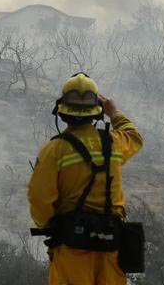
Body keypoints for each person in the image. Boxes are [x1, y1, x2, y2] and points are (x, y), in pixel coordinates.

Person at [28, 72, 144, 285]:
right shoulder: (113, 142)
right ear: (97, 112)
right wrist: (114, 112)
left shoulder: (54, 150)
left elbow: (40, 198)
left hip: (71, 247)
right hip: (111, 248)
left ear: (61, 111)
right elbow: (134, 138)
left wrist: (48, 225)